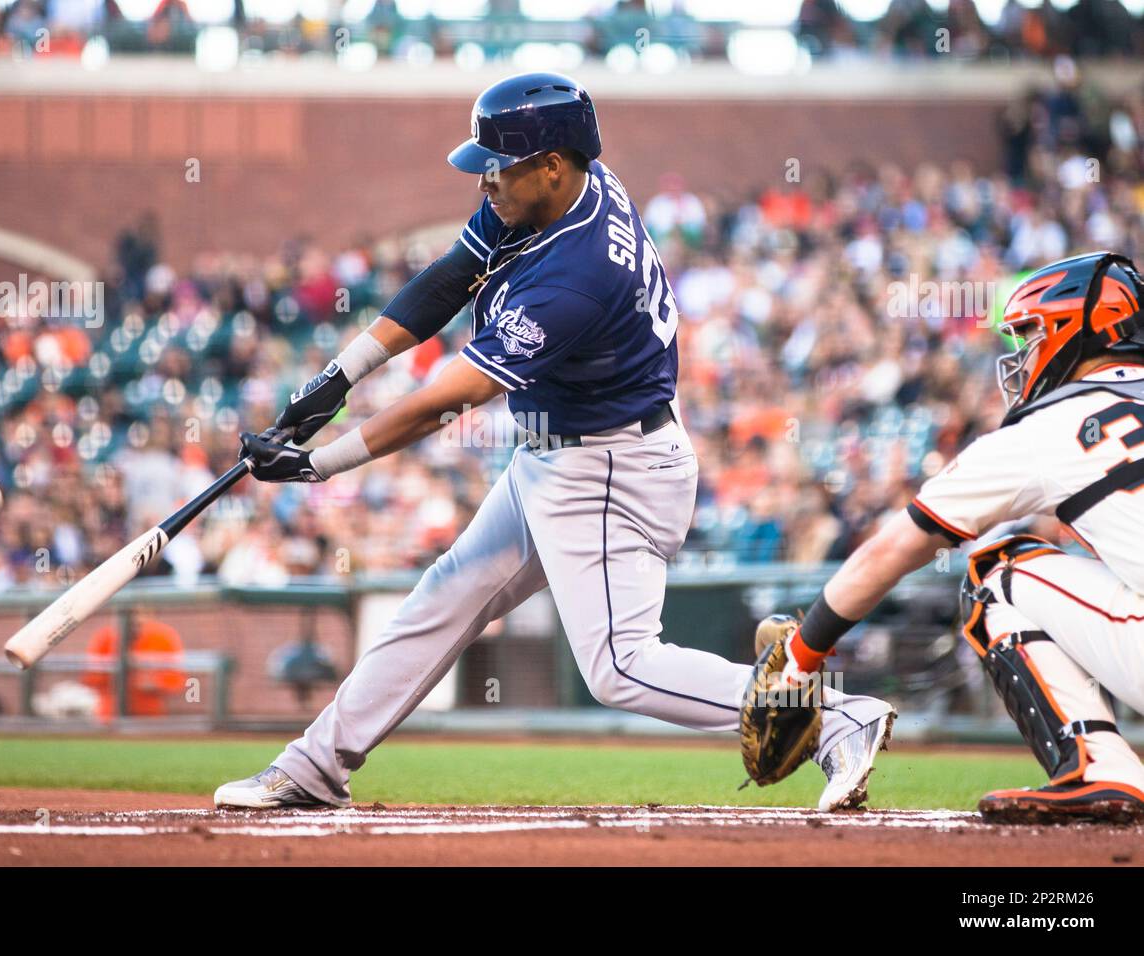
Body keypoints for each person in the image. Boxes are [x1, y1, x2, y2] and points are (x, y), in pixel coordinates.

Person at [213, 72, 894, 812]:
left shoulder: (579, 271)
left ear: (551, 166)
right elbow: (449, 280)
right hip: (560, 453)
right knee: (443, 597)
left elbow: (455, 398)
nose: (486, 182)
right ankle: (314, 766)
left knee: (620, 669)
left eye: (499, 166)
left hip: (605, 466)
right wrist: (336, 379)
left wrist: (320, 464)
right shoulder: (561, 186)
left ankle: (838, 717)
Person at [755, 251, 1144, 823]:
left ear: (1075, 327)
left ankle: (1100, 768)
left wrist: (804, 656)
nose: (1021, 352)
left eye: (1031, 333)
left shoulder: (1056, 426)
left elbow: (896, 548)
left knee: (997, 572)